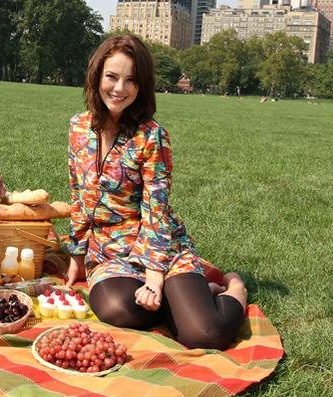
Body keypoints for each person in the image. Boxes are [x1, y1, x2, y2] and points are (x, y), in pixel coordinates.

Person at [64, 35, 248, 350]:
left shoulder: (152, 137)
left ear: (142, 86)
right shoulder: (79, 127)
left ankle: (232, 287)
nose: (119, 88)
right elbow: (78, 195)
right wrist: (77, 256)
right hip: (109, 250)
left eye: (131, 80)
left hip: (159, 246)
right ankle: (192, 298)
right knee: (116, 308)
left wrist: (154, 277)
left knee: (206, 335)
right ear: (96, 76)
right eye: (112, 76)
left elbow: (156, 210)